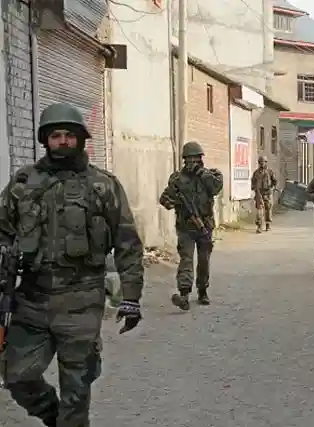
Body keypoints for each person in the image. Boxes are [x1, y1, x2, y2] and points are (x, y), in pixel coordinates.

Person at [0, 102, 145, 427]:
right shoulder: (23, 184)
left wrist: (131, 297)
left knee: (76, 391)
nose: (62, 141)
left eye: (68, 135)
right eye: (55, 136)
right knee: (17, 377)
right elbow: (3, 231)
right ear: (45, 140)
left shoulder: (103, 186)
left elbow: (127, 244)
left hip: (81, 299)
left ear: (81, 138)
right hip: (31, 300)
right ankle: (59, 420)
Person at [159, 141, 223, 310]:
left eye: (195, 159)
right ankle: (184, 294)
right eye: (188, 159)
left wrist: (202, 174)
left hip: (205, 225)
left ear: (201, 159)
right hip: (185, 227)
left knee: (203, 261)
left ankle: (203, 291)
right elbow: (164, 198)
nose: (192, 162)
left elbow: (216, 188)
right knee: (186, 260)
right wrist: (173, 202)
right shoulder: (177, 179)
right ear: (184, 160)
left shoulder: (211, 176)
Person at [251, 155, 277, 233]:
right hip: (259, 194)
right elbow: (253, 182)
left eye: (263, 162)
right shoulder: (256, 173)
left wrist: (272, 189)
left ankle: (268, 225)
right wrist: (255, 189)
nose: (262, 163)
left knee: (268, 210)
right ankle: (259, 227)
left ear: (266, 162)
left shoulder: (270, 172)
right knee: (259, 211)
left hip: (268, 194)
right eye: (260, 162)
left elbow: (274, 181)